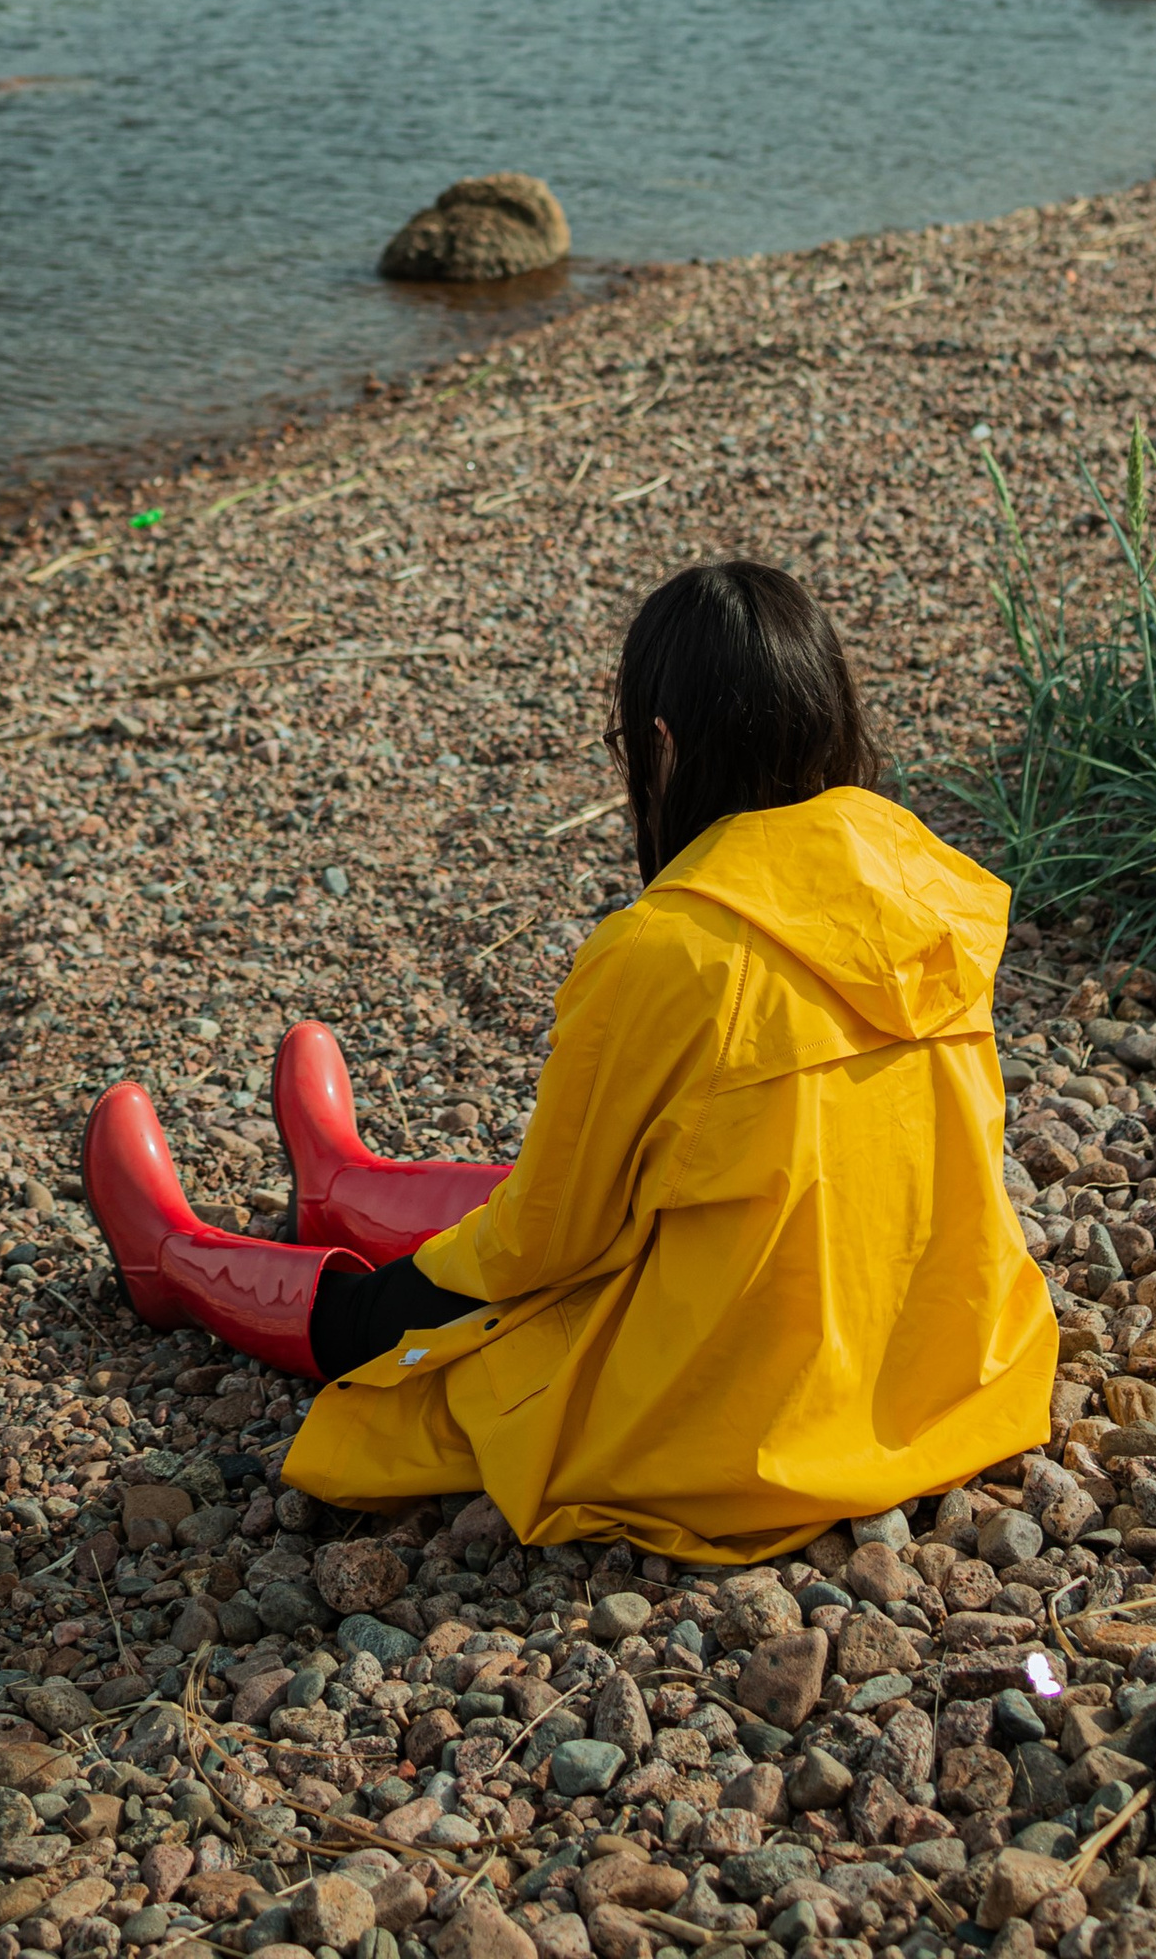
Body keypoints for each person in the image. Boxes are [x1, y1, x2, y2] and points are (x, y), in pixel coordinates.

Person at [80, 557, 1056, 1564]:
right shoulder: (931, 891)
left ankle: (173, 1260)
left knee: (420, 1310)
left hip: (752, 1424)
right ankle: (341, 1186)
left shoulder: (669, 954)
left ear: (663, 749)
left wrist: (418, 1288)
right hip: (941, 1367)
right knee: (649, 1179)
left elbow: (548, 1239)